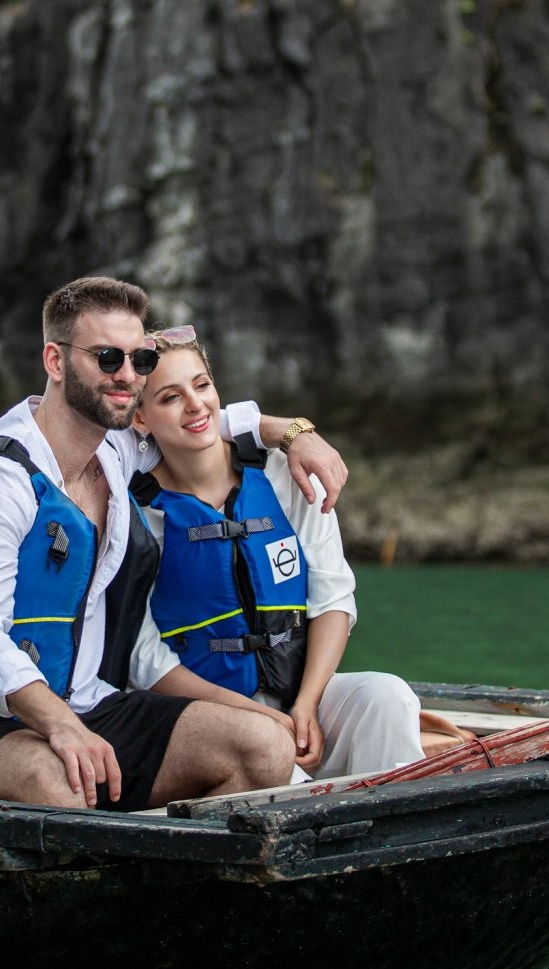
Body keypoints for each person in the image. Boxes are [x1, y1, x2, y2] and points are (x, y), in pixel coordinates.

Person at [0, 276, 349, 810]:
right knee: (64, 785)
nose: (126, 376)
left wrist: (295, 433)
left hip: (94, 705)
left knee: (264, 747)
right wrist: (61, 725)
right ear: (55, 361)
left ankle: (168, 876)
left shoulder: (115, 451)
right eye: (106, 358)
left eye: (138, 361)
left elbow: (200, 418)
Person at [127, 325, 438, 779]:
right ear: (140, 418)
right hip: (209, 718)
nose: (195, 405)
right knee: (267, 753)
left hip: (298, 699)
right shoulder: (136, 514)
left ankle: (395, 833)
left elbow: (332, 597)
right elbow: (142, 657)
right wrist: (254, 718)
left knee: (386, 697)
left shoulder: (285, 473)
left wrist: (308, 703)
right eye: (170, 398)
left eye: (202, 385)